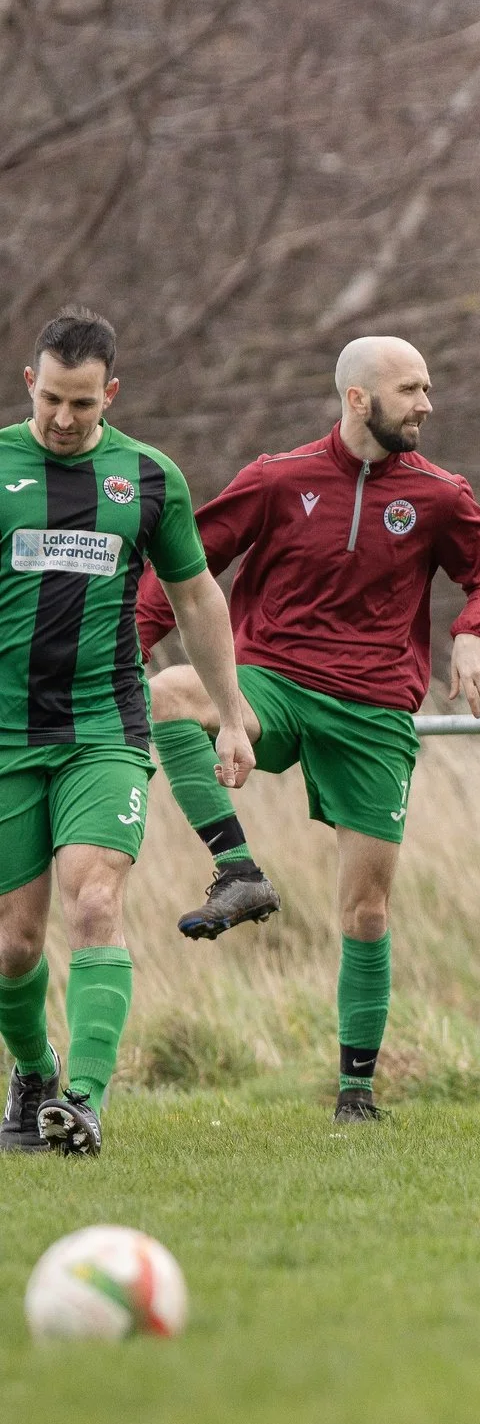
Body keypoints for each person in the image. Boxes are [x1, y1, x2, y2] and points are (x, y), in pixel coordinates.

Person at [134, 336, 480, 1123]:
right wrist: (124, 649)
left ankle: (355, 1095)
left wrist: (475, 629)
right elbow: (181, 567)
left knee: (367, 913)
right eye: (411, 390)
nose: (427, 405)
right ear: (357, 399)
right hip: (270, 685)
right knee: (172, 692)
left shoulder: (440, 495)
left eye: (428, 387)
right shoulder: (277, 480)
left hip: (375, 712)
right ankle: (237, 871)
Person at [0, 309, 256, 1157]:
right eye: (51, 402)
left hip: (105, 729)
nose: (65, 420)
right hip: (5, 735)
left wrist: (230, 710)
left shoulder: (148, 478)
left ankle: (84, 1100)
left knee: (97, 901)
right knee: (12, 945)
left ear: (110, 393)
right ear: (29, 383)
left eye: (83, 403)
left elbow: (196, 597)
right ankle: (34, 1070)